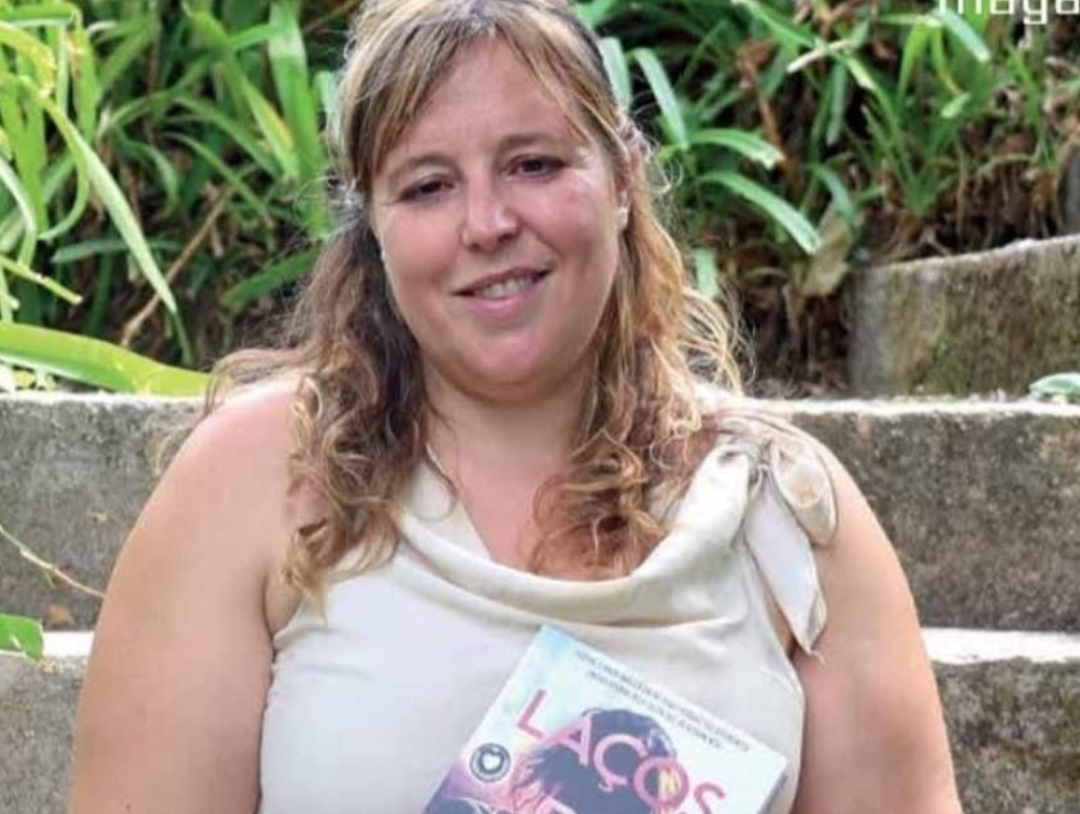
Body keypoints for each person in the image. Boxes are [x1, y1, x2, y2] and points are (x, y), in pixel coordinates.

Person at [68, 1, 963, 813]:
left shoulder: (786, 517)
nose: (488, 223)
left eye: (533, 164)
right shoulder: (252, 482)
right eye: (428, 186)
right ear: (373, 225)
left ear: (623, 178)